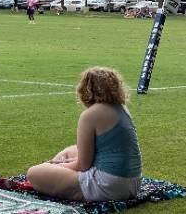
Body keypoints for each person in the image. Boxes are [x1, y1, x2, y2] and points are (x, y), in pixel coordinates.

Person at [27, 67, 142, 202]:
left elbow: (82, 165)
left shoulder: (90, 115)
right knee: (70, 151)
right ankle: (58, 176)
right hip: (133, 184)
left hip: (108, 186)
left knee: (34, 172)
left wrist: (55, 166)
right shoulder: (121, 108)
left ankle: (60, 180)